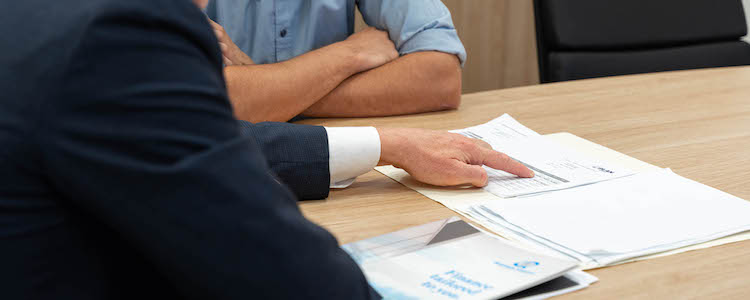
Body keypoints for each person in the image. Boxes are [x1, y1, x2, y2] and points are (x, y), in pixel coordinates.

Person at [0, 0, 532, 299]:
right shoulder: (121, 26)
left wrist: (382, 143)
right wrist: (347, 54)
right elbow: (290, 277)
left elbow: (438, 75)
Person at [206, 0, 467, 122]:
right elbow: (213, 99)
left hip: (334, 156)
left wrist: (265, 91)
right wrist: (348, 55)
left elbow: (441, 76)